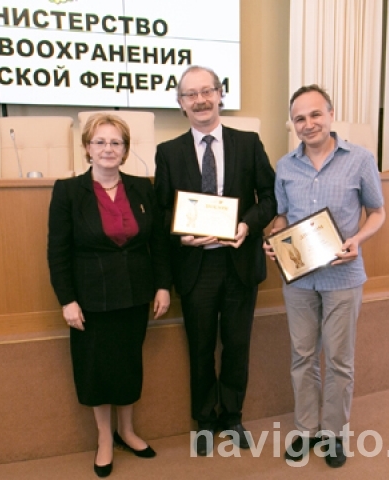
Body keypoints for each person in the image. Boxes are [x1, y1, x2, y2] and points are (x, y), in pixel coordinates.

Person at [153, 65, 277, 455]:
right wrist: (181, 233)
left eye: (207, 91)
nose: (200, 100)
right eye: (191, 94)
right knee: (201, 347)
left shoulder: (248, 142)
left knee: (237, 345)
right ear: (181, 103)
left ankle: (232, 416)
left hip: (239, 262)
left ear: (220, 95)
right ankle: (205, 420)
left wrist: (247, 225)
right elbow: (161, 212)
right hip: (196, 267)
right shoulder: (168, 152)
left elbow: (270, 198)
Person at [264, 84, 385, 468]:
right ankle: (306, 430)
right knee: (302, 357)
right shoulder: (285, 166)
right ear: (293, 124)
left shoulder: (360, 159)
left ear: (330, 114)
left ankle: (334, 434)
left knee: (338, 361)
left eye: (315, 114)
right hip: (299, 279)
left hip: (342, 278)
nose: (309, 123)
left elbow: (377, 212)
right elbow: (283, 215)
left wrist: (357, 240)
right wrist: (273, 240)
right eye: (299, 118)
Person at [47, 113, 171, 478]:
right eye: (100, 142)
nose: (108, 148)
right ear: (87, 148)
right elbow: (58, 252)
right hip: (90, 299)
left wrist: (163, 285)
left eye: (116, 142)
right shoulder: (68, 191)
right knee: (96, 370)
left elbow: (158, 243)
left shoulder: (142, 188)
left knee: (129, 364)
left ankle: (127, 432)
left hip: (135, 294)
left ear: (126, 150)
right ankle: (104, 438)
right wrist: (67, 300)